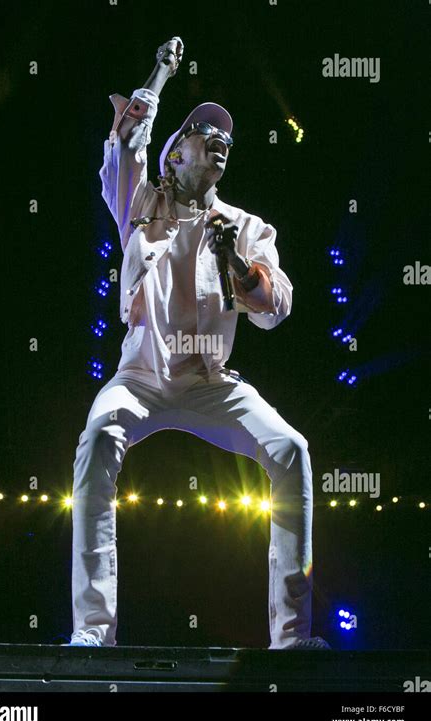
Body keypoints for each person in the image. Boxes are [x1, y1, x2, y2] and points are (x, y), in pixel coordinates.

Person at [66, 37, 329, 649]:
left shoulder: (245, 226)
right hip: (140, 378)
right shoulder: (139, 202)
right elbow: (125, 144)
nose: (219, 139)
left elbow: (273, 309)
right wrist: (159, 73)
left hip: (211, 381)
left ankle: (292, 639)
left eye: (226, 138)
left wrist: (237, 265)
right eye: (202, 130)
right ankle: (92, 634)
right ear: (174, 155)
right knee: (99, 438)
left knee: (291, 450)